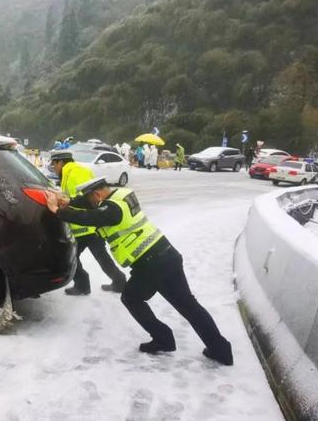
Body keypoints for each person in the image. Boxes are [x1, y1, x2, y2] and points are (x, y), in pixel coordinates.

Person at [45, 177, 234, 366]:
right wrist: (70, 201)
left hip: (151, 263)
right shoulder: (122, 195)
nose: (90, 203)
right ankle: (221, 349)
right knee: (188, 305)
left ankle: (164, 339)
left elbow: (90, 217)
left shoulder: (112, 210)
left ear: (97, 194)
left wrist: (58, 210)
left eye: (90, 199)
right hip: (167, 255)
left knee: (131, 298)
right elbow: (93, 207)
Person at [50, 153, 127, 295]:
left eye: (54, 164)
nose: (53, 168)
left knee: (72, 258)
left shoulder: (74, 173)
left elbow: (89, 200)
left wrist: (64, 206)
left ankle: (83, 285)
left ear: (60, 162)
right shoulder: (73, 171)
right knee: (101, 256)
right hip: (89, 226)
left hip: (85, 226)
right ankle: (119, 281)